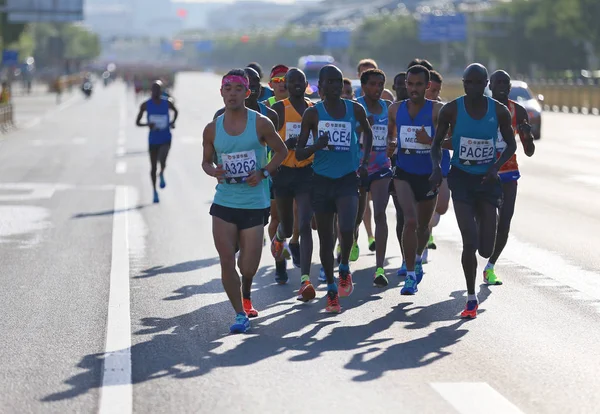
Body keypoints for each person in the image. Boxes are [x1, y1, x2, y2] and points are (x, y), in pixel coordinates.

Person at [202, 69, 288, 333]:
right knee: (226, 259)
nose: (232, 93)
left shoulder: (260, 123)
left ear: (247, 93)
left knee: (247, 267)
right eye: (227, 89)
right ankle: (240, 313)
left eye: (238, 89)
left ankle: (246, 286)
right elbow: (206, 161)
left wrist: (263, 172)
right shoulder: (212, 129)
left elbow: (282, 151)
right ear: (221, 93)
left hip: (254, 203)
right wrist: (213, 170)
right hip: (225, 201)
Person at [429, 63, 517, 319]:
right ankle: (470, 298)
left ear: (486, 85)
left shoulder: (498, 111)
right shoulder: (451, 110)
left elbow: (511, 145)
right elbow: (436, 145)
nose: (475, 87)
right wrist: (436, 168)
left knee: (486, 249)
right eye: (470, 82)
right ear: (464, 83)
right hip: (462, 180)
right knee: (469, 241)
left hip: (487, 182)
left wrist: (496, 167)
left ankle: (482, 226)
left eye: (480, 83)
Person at [296, 65, 373, 313]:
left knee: (348, 226)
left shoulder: (355, 109)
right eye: (329, 82)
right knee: (326, 239)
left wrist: (364, 162)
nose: (335, 86)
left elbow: (368, 133)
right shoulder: (313, 114)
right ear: (319, 85)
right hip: (321, 180)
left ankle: (344, 268)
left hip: (348, 178)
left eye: (338, 81)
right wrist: (317, 145)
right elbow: (299, 153)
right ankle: (331, 290)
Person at [387, 65, 443, 295]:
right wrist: (390, 146)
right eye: (410, 84)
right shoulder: (395, 110)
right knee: (409, 221)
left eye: (419, 84)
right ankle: (410, 275)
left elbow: (449, 142)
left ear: (427, 86)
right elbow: (390, 135)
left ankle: (418, 258)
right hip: (403, 172)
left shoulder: (437, 110)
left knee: (422, 226)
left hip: (428, 174)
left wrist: (429, 139)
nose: (413, 89)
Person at [484, 70, 536, 285]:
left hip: (508, 172)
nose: (503, 87)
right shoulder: (481, 108)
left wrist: (526, 135)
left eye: (506, 83)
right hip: (483, 172)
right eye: (499, 83)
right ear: (491, 85)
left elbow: (529, 151)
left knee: (504, 222)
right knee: (488, 221)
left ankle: (491, 266)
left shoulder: (519, 111)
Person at [270, 68, 317, 301]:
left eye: (301, 80)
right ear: (286, 85)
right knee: (287, 226)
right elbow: (266, 140)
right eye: (292, 81)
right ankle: (280, 238)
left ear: (306, 84)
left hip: (307, 172)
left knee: (305, 224)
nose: (297, 84)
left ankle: (305, 280)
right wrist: (283, 144)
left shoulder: (313, 109)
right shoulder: (279, 109)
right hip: (284, 173)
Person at [354, 68, 393, 287]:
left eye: (380, 85)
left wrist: (393, 144)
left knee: (380, 213)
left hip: (381, 168)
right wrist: (361, 125)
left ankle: (379, 267)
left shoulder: (388, 108)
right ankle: (350, 243)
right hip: (358, 168)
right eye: (372, 84)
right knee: (357, 216)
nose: (377, 89)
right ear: (363, 86)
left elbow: (394, 133)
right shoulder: (354, 107)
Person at [423, 69, 451, 261]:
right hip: (420, 163)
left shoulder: (443, 110)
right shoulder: (412, 109)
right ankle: (421, 246)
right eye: (431, 90)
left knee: (441, 207)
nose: (434, 95)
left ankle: (428, 229)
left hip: (442, 160)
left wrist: (430, 139)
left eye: (437, 91)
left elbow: (450, 137)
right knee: (422, 209)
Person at [135, 80, 179, 203]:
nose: (156, 92)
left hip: (165, 137)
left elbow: (176, 111)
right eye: (154, 89)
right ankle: (154, 191)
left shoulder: (167, 103)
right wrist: (148, 124)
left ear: (161, 91)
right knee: (153, 166)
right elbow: (137, 122)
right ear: (151, 91)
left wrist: (172, 122)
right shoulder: (145, 105)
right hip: (153, 139)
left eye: (158, 89)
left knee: (163, 159)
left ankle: (162, 172)